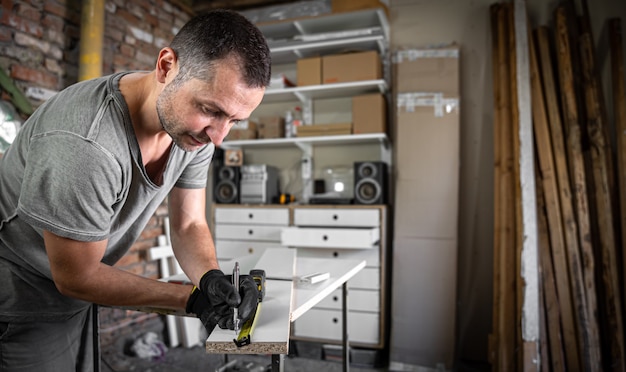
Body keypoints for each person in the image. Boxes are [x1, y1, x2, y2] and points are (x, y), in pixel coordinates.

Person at [0, 9, 271, 371]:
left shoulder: (193, 134)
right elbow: (76, 276)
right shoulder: (86, 144)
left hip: (75, 296)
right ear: (166, 66)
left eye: (235, 121)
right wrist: (191, 299)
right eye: (211, 110)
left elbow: (189, 224)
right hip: (21, 302)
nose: (219, 137)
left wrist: (210, 279)